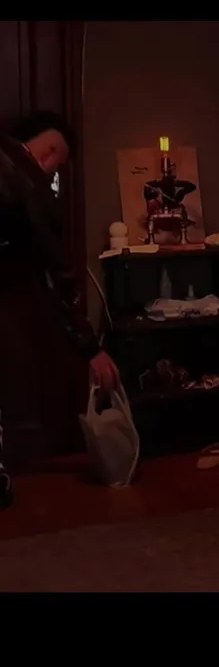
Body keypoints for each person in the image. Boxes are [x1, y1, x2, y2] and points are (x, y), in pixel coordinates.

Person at [0, 111, 120, 507]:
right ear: (49, 150)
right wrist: (90, 347)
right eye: (57, 163)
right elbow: (55, 272)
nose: (53, 171)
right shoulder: (26, 179)